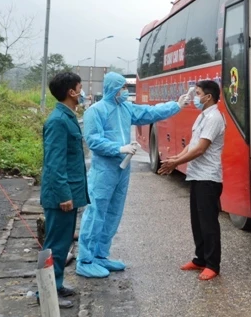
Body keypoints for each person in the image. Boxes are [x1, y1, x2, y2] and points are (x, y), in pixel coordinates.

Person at [76, 72, 189, 278]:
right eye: (122, 88)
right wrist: (118, 148)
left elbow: (149, 112)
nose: (125, 92)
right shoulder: (95, 111)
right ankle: (85, 260)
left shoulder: (125, 108)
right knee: (96, 213)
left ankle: (101, 255)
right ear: (112, 89)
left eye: (126, 88)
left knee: (113, 213)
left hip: (122, 170)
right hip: (104, 171)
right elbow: (93, 140)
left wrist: (176, 105)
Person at [158, 80, 225, 281]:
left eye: (197, 93)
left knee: (208, 223)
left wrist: (175, 163)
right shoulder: (202, 116)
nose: (194, 98)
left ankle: (213, 264)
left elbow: (201, 148)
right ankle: (200, 259)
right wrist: (176, 159)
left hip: (208, 177)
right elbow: (192, 144)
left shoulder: (214, 118)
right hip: (197, 175)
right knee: (197, 222)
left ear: (208, 97)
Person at [40, 71, 88, 308]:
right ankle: (46, 294)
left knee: (61, 245)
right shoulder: (58, 121)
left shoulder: (67, 116)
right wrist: (64, 195)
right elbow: (54, 163)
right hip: (61, 196)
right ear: (71, 92)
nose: (83, 92)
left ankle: (56, 284)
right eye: (80, 87)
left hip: (68, 193)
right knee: (55, 245)